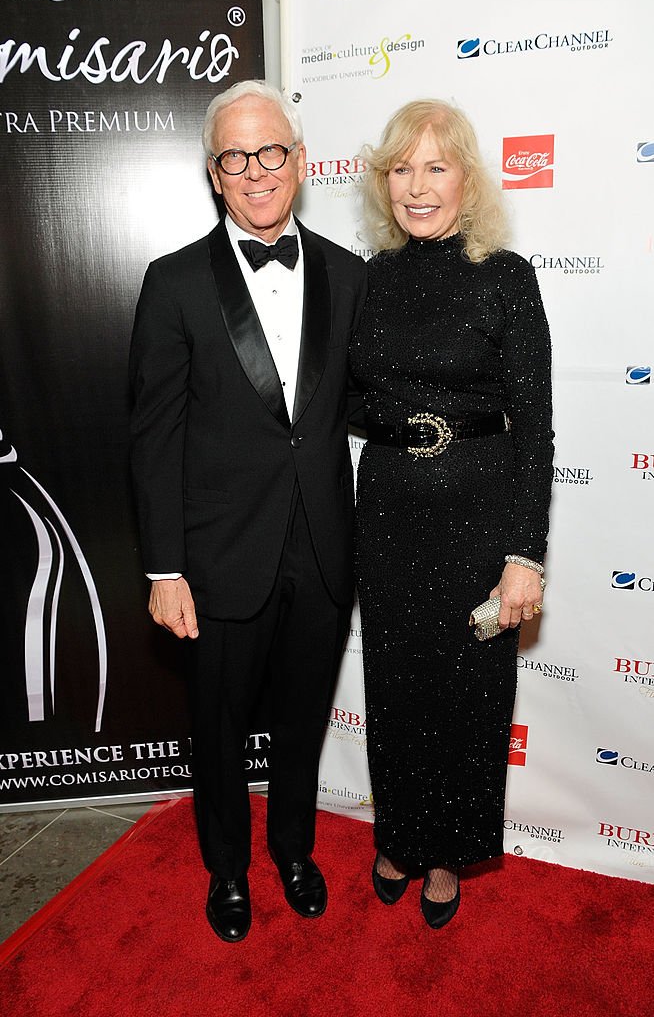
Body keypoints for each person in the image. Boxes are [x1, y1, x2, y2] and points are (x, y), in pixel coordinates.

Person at [129, 80, 367, 943]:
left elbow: (365, 408)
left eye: (272, 152)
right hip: (220, 554)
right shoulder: (175, 282)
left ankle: (294, 850)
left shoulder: (349, 273)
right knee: (218, 725)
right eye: (236, 156)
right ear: (215, 173)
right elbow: (153, 441)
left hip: (323, 546)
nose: (257, 170)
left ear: (300, 162)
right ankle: (227, 868)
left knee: (304, 718)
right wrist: (164, 568)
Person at [349, 99, 553, 929]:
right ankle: (397, 835)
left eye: (436, 166)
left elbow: (534, 424)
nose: (418, 185)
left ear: (465, 179)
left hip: (478, 513)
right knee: (394, 688)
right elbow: (352, 400)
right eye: (402, 168)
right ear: (383, 182)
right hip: (390, 511)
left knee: (467, 696)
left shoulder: (505, 275)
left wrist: (524, 554)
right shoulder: (370, 278)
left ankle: (445, 856)